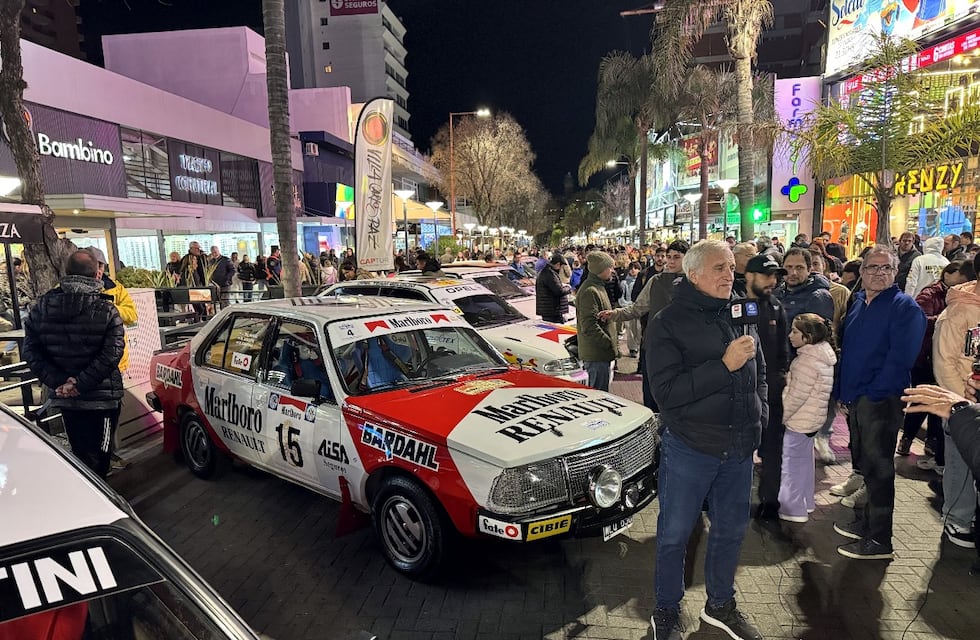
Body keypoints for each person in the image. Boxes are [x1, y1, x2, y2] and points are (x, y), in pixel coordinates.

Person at [647, 240, 766, 640]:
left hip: (739, 446)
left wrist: (759, 414)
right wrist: (723, 366)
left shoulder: (741, 310)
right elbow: (666, 394)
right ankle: (666, 608)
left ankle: (720, 604)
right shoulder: (666, 323)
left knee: (731, 530)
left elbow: (759, 370)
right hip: (691, 447)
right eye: (719, 268)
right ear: (693, 274)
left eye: (731, 267)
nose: (728, 275)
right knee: (675, 533)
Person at [833, 246, 926, 560]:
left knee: (880, 470)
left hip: (881, 400)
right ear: (862, 271)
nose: (879, 273)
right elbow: (850, 352)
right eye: (872, 267)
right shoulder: (859, 302)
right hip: (858, 398)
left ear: (895, 271)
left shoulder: (905, 308)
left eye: (886, 268)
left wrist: (873, 393)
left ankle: (879, 541)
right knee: (866, 467)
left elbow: (900, 360)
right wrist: (846, 394)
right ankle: (868, 526)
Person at [22, 251, 124, 479]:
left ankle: (88, 497)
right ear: (95, 274)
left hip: (66, 399)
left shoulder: (41, 308)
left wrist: (60, 382)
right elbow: (112, 354)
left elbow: (30, 351)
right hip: (102, 399)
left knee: (80, 453)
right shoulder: (106, 310)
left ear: (66, 273)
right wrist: (80, 383)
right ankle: (103, 501)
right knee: (103, 453)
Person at [929, 254, 980, 548]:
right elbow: (944, 361)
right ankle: (957, 519)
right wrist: (959, 402)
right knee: (960, 462)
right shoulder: (959, 311)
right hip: (963, 400)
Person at [743, 253, 789, 521]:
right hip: (739, 393)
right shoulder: (734, 306)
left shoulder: (775, 307)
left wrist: (781, 378)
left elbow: (783, 351)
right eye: (766, 275)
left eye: (774, 276)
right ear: (750, 276)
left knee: (772, 448)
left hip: (771, 393)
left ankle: (770, 501)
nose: (772, 281)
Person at [779, 313, 837, 522]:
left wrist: (780, 417)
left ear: (808, 336)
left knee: (792, 464)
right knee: (804, 461)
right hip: (813, 419)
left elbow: (795, 397)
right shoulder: (823, 356)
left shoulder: (805, 362)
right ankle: (806, 502)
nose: (790, 335)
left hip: (799, 420)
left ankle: (792, 509)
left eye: (795, 331)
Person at [83, 247, 137, 374]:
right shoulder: (65, 290)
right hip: (83, 363)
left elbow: (132, 315)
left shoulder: (116, 288)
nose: (98, 270)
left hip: (115, 363)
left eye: (100, 266)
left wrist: (109, 308)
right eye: (93, 266)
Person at [575, 251, 618, 391]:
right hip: (596, 354)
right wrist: (607, 342)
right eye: (609, 267)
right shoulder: (590, 290)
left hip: (599, 353)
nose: (612, 270)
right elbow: (589, 325)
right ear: (600, 269)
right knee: (598, 393)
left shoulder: (597, 287)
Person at [536, 252, 571, 324]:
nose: (561, 268)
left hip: (550, 310)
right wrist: (568, 288)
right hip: (552, 311)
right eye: (561, 266)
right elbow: (559, 291)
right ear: (558, 264)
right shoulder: (549, 274)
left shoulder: (547, 272)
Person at [620, 261, 642, 357]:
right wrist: (626, 305)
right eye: (632, 268)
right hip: (628, 308)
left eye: (636, 268)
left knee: (639, 328)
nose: (633, 270)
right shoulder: (624, 282)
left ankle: (638, 346)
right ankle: (632, 348)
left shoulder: (642, 281)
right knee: (630, 329)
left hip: (640, 308)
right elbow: (621, 297)